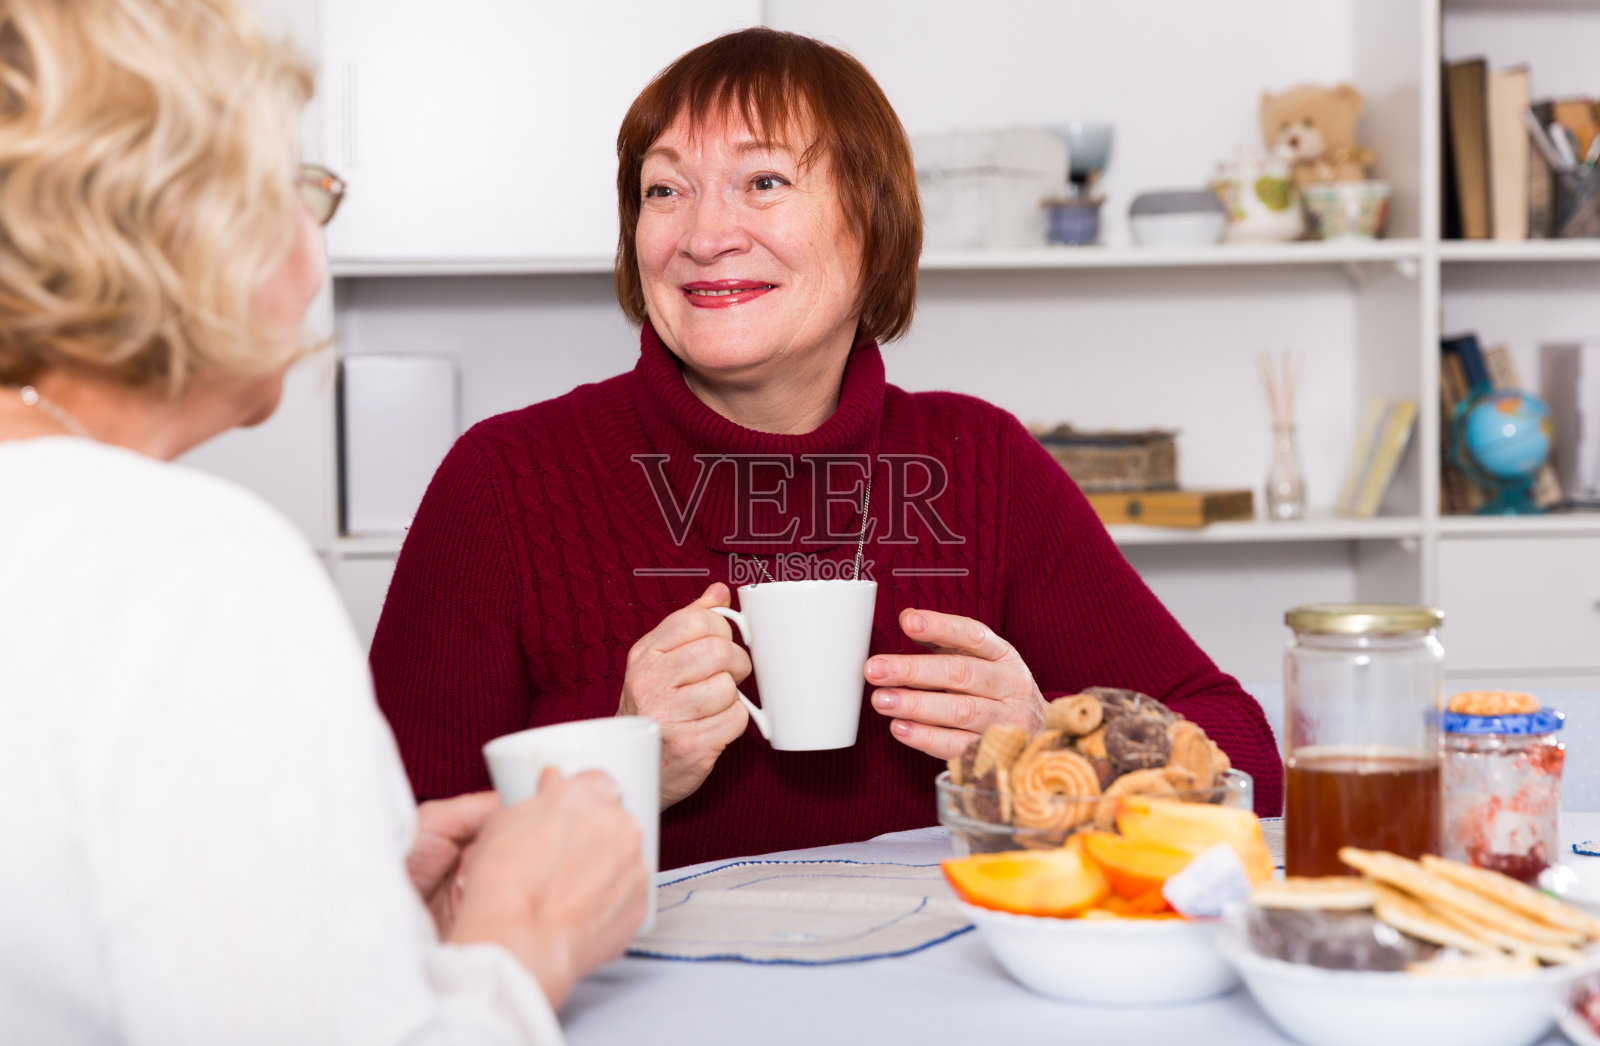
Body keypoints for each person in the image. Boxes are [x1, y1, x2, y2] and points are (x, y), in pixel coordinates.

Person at [371, 27, 1283, 871]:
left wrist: (1049, 747)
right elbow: (388, 852)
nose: (703, 237)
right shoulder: (503, 481)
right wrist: (622, 767)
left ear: (873, 225)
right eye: (664, 190)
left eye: (764, 181)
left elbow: (1251, 763)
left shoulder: (981, 462)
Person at [0, 2, 645, 1042]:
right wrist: (528, 937)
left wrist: (349, 898)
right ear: (186, 225)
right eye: (302, 192)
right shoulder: (201, 571)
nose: (316, 247)